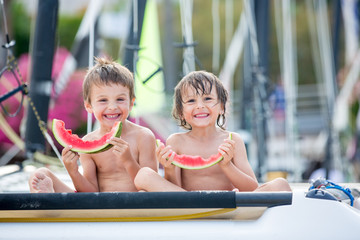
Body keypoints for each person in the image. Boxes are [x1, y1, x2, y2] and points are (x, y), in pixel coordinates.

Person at [134, 70, 291, 192]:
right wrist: (169, 168)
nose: (200, 105)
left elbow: (251, 188)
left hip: (227, 202)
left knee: (281, 184)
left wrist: (227, 165)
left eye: (208, 99)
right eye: (191, 101)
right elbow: (175, 189)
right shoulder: (175, 141)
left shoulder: (232, 140)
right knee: (144, 175)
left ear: (222, 106)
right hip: (188, 202)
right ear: (181, 112)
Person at [29, 57, 158, 193]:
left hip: (135, 206)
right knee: (41, 174)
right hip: (99, 208)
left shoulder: (143, 137)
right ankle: (45, 204)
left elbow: (150, 186)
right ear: (89, 106)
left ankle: (53, 205)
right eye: (103, 100)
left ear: (131, 103)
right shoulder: (88, 142)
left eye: (120, 99)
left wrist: (128, 160)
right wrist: (73, 171)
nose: (112, 107)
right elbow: (90, 192)